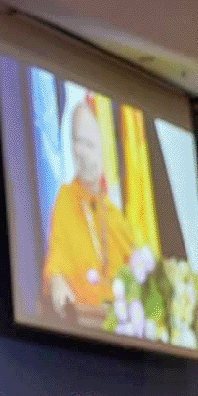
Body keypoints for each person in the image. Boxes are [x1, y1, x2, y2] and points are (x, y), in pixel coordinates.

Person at [41, 96, 138, 320]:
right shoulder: (66, 199)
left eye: (90, 144)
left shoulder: (115, 216)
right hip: (80, 320)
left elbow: (137, 270)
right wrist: (57, 282)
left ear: (104, 151)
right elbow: (57, 260)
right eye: (77, 141)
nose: (81, 151)